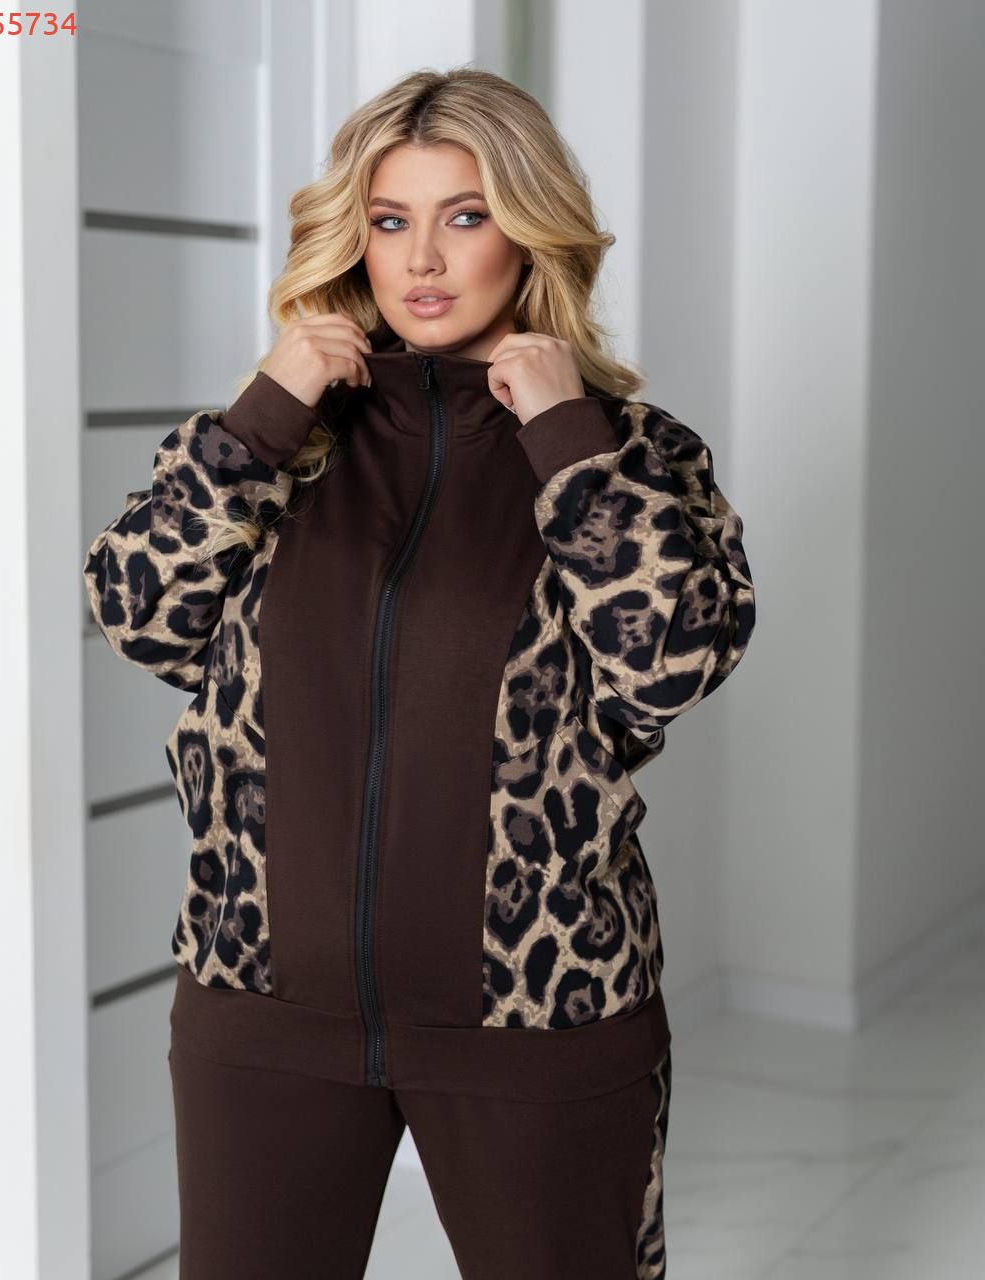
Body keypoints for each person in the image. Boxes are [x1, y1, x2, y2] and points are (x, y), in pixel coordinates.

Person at [83, 65, 756, 1280]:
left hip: (538, 1017)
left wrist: (566, 440)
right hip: (263, 1008)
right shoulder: (275, 439)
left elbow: (669, 663)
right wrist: (265, 413)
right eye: (391, 220)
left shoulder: (632, 455)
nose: (423, 259)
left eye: (466, 215)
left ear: (529, 231)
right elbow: (137, 615)